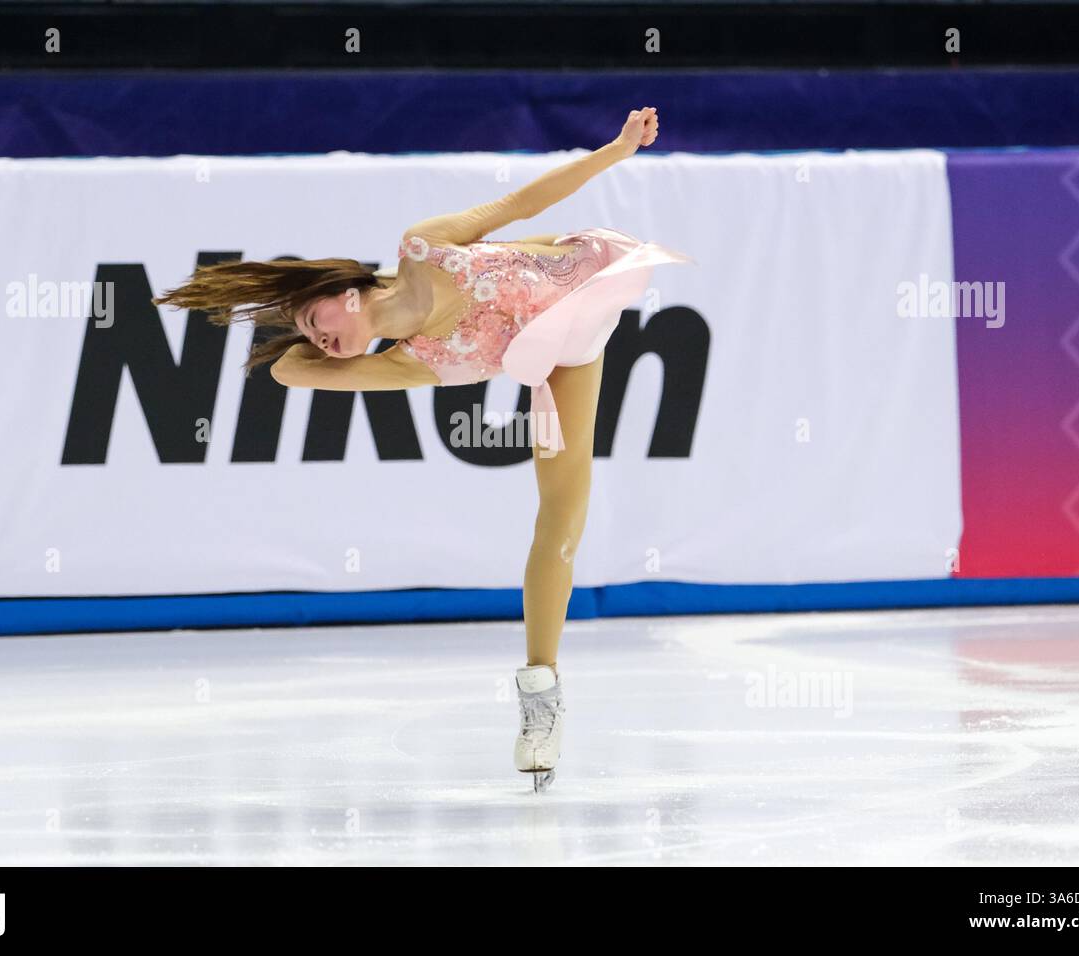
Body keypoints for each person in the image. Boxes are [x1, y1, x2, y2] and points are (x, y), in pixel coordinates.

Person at [156, 107, 692, 791]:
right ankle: (541, 694)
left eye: (319, 320)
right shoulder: (412, 363)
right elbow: (290, 371)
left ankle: (543, 689)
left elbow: (519, 200)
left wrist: (614, 151)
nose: (319, 340)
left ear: (349, 293)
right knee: (559, 520)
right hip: (564, 358)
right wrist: (300, 335)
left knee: (564, 509)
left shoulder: (423, 248)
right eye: (312, 334)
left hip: (581, 274)